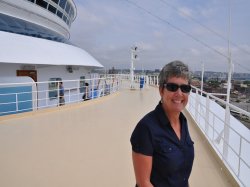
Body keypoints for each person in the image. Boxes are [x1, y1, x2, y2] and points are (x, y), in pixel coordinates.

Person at [130, 60, 194, 187]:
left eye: (185, 88)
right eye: (172, 87)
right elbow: (144, 183)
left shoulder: (183, 122)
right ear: (161, 90)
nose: (179, 94)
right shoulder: (146, 128)